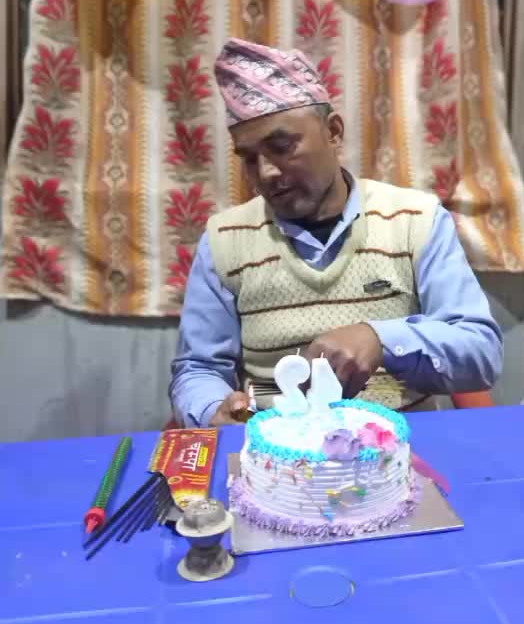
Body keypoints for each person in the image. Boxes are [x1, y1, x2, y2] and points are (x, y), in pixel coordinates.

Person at [169, 38, 503, 427]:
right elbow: (198, 368)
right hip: (279, 450)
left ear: (333, 132)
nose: (266, 173)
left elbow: (481, 352)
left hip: (402, 446)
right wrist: (212, 409)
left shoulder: (416, 220)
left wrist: (381, 340)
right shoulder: (225, 240)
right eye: (249, 158)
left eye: (282, 146)